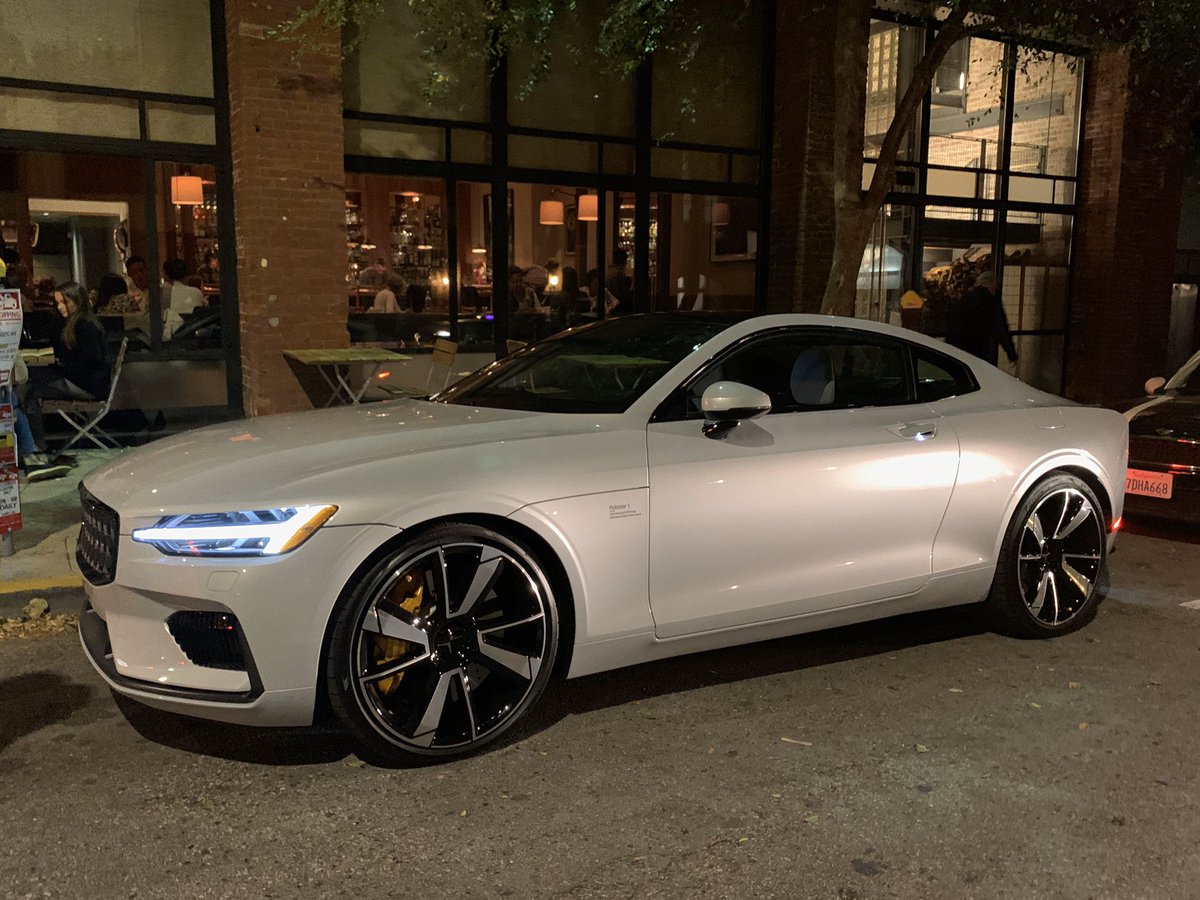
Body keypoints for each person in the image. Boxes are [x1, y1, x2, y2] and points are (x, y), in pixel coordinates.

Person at [23, 281, 111, 460]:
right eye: (57, 303)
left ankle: (37, 447)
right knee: (31, 382)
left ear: (77, 301)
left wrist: (60, 364)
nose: (60, 307)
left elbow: (92, 360)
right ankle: (35, 445)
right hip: (84, 380)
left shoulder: (86, 325)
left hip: (89, 384)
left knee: (30, 391)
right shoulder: (73, 322)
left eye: (64, 302)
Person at [945, 270, 1018, 367]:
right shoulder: (991, 302)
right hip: (981, 348)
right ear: (991, 284)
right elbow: (1001, 329)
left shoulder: (964, 300)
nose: (996, 289)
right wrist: (1011, 353)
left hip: (961, 348)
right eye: (995, 285)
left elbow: (952, 323)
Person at [162, 258, 203, 337]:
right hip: (193, 335)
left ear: (165, 274)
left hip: (168, 337)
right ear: (185, 275)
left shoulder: (160, 292)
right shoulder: (196, 292)